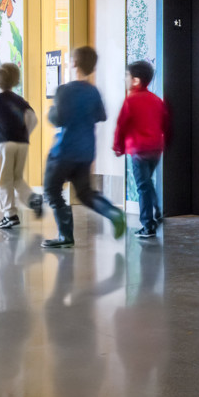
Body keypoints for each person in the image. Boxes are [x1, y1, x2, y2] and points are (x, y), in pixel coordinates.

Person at [42, 46, 127, 248]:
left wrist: (51, 112)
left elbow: (58, 119)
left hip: (63, 150)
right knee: (85, 192)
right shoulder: (93, 91)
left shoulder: (64, 90)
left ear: (73, 63)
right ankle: (111, 212)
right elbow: (102, 116)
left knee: (52, 190)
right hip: (86, 151)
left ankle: (65, 236)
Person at [112, 60, 168, 238]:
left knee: (143, 186)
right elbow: (165, 123)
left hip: (139, 150)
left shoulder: (131, 100)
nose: (124, 79)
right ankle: (157, 209)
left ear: (135, 80)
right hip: (156, 149)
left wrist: (118, 147)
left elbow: (121, 126)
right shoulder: (156, 100)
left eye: (127, 76)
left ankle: (148, 225)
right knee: (147, 183)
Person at [0, 62, 42, 229]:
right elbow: (33, 119)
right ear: (16, 81)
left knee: (4, 180)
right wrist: (25, 134)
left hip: (4, 144)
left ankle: (10, 215)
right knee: (17, 178)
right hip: (22, 144)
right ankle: (33, 199)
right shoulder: (21, 101)